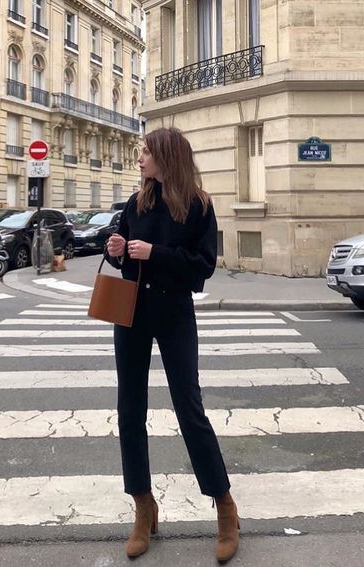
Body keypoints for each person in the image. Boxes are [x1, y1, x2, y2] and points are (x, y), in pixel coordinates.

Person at [105, 127, 240, 561]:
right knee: (130, 410)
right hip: (131, 312)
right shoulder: (137, 201)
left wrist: (154, 253)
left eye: (146, 152)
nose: (140, 158)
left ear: (166, 156)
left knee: (189, 408)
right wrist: (118, 249)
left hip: (174, 311)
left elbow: (202, 267)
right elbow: (121, 254)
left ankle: (224, 506)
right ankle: (143, 506)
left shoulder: (199, 204)